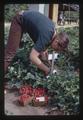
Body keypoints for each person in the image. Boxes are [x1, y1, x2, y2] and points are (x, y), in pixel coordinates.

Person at [4, 10, 69, 76]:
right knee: (10, 54)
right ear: (56, 42)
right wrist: (48, 70)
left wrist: (49, 65)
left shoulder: (52, 32)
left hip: (25, 18)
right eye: (57, 49)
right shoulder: (46, 35)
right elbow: (32, 57)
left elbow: (43, 51)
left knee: (42, 52)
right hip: (19, 20)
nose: (55, 50)